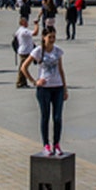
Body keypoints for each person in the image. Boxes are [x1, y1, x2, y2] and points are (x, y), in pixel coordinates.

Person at [21, 28, 68, 156]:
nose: (52, 40)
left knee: (57, 117)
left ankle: (56, 144)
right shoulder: (38, 51)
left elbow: (61, 70)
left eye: (54, 37)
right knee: (45, 116)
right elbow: (24, 67)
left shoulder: (57, 51)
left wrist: (65, 88)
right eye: (50, 37)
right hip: (44, 89)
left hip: (57, 87)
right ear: (43, 37)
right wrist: (34, 81)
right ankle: (46, 144)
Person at [14, 16, 37, 88]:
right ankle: (19, 82)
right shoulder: (24, 31)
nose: (27, 23)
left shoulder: (19, 30)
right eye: (26, 22)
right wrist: (36, 25)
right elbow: (35, 33)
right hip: (25, 51)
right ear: (23, 23)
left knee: (24, 67)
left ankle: (23, 82)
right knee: (23, 68)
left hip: (23, 50)